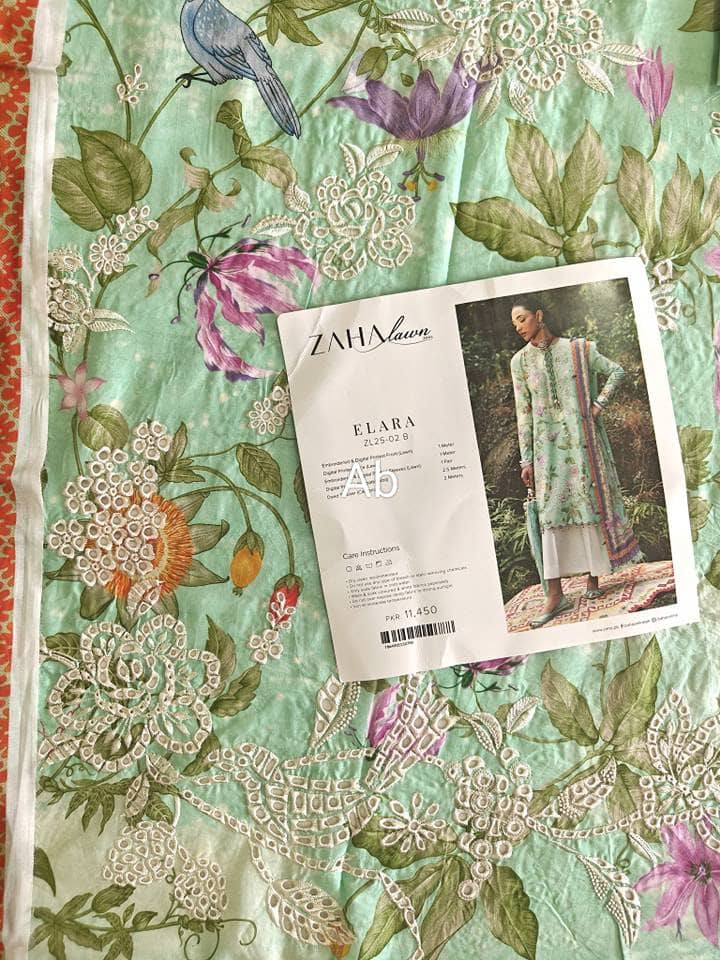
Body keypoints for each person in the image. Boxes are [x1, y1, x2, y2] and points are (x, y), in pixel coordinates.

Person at [509, 297, 642, 628]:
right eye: (514, 323)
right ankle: (555, 595)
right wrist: (526, 459)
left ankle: (592, 576)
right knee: (550, 513)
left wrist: (598, 406)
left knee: (586, 503)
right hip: (546, 451)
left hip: (582, 443)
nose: (518, 327)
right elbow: (523, 413)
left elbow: (616, 371)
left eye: (522, 319)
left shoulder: (578, 350)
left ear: (539, 315)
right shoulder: (519, 362)